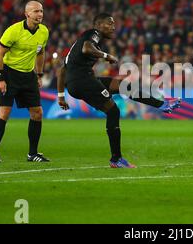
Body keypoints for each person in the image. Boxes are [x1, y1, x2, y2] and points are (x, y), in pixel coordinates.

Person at [57, 13, 181, 168]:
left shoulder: (80, 43)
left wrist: (61, 96)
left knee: (122, 86)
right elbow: (87, 48)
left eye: (114, 24)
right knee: (113, 111)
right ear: (98, 25)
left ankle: (161, 105)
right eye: (109, 23)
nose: (113, 27)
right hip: (83, 81)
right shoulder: (92, 34)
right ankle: (116, 159)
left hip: (77, 82)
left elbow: (62, 69)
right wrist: (106, 55)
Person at [0, 1, 49, 163]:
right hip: (9, 74)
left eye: (41, 11)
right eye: (36, 11)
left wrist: (39, 74)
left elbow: (41, 52)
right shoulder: (14, 31)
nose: (40, 14)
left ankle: (33, 154)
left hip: (28, 75)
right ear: (27, 14)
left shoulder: (43, 31)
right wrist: (0, 78)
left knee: (37, 113)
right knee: (4, 113)